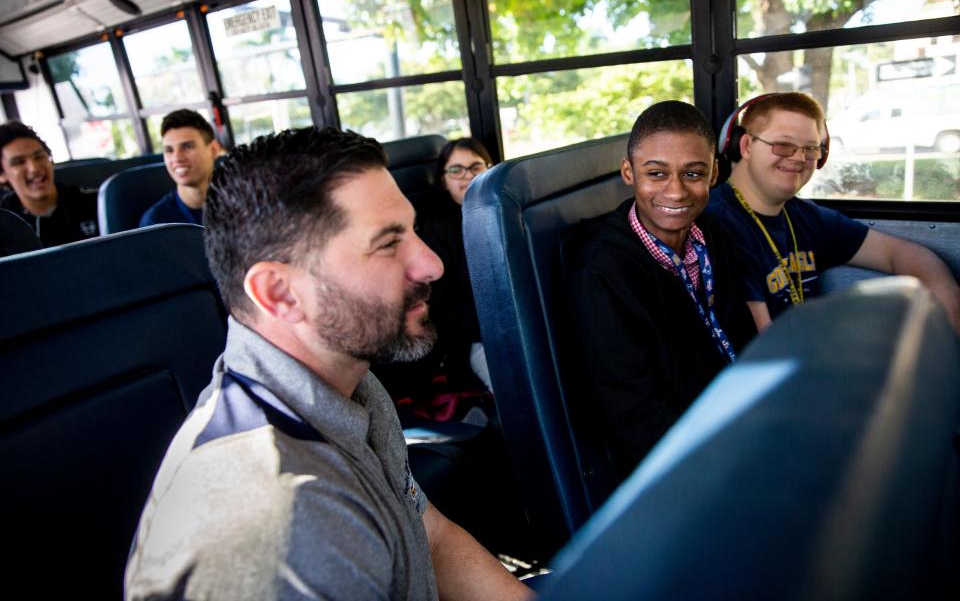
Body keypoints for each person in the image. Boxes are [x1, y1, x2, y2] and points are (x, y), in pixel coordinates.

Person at [125, 126, 532, 601]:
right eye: (387, 243)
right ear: (280, 294)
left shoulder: (349, 377)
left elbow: (431, 536)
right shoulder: (276, 525)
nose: (431, 265)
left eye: (413, 230)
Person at [564, 101, 756, 479]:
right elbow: (633, 416)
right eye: (656, 173)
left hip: (732, 415)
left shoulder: (714, 237)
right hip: (675, 459)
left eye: (692, 173)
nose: (676, 191)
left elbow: (741, 335)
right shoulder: (602, 271)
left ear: (714, 173)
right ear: (628, 172)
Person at [707, 92, 960, 333]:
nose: (798, 158)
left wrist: (950, 313)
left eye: (810, 148)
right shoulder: (718, 225)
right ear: (746, 145)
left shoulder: (806, 217)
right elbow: (761, 342)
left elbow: (901, 253)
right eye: (783, 145)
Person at [416, 138, 494, 391]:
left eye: (475, 167)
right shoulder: (436, 229)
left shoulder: (505, 213)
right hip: (474, 340)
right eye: (455, 170)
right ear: (443, 179)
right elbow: (443, 306)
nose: (466, 176)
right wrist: (496, 327)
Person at [0, 121, 98, 247]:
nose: (34, 168)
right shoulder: (4, 223)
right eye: (19, 162)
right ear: (2, 175)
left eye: (39, 156)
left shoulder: (95, 202)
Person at [139, 109, 221, 227]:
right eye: (169, 150)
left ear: (213, 150)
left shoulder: (242, 203)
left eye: (188, 147)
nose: (177, 158)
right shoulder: (155, 223)